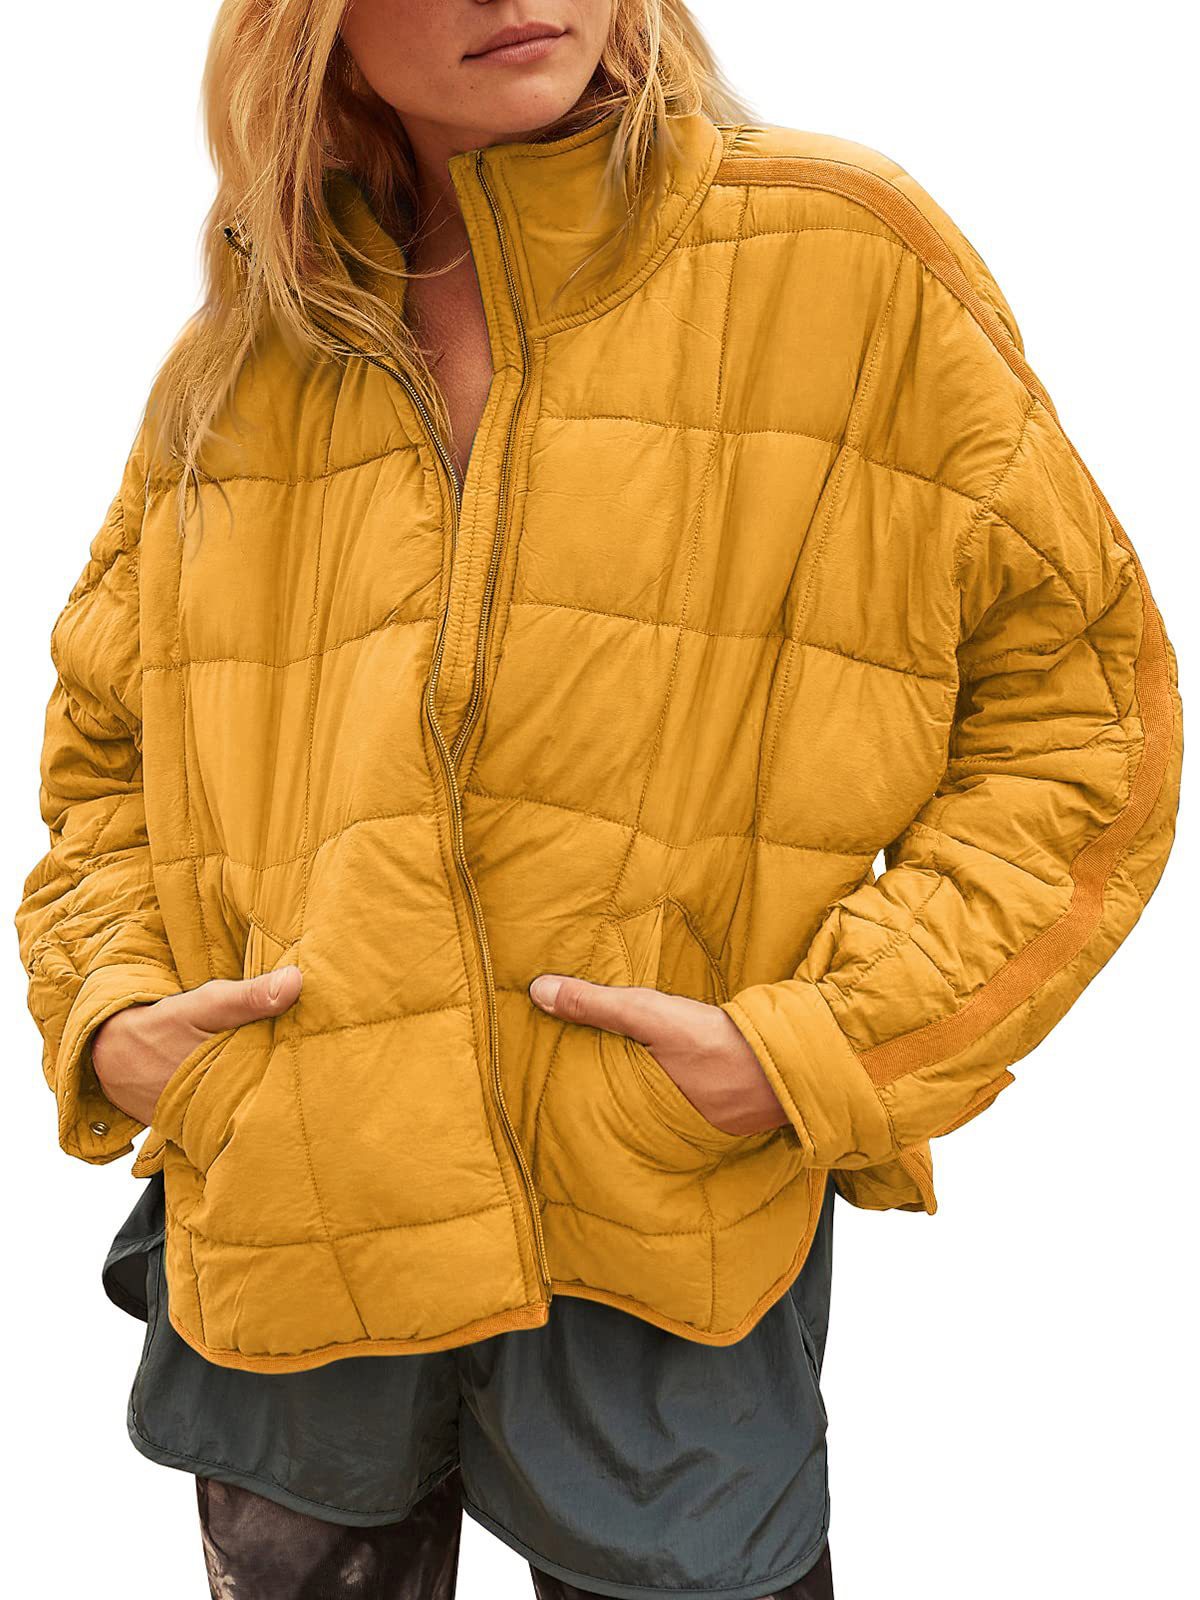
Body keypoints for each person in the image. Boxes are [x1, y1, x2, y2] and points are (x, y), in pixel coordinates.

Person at [13, 2, 1183, 1598]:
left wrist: (818, 1045)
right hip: (291, 1217)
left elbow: (1080, 719)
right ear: (314, 30)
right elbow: (105, 756)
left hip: (657, 1220)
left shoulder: (839, 259)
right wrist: (120, 1016)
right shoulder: (244, 360)